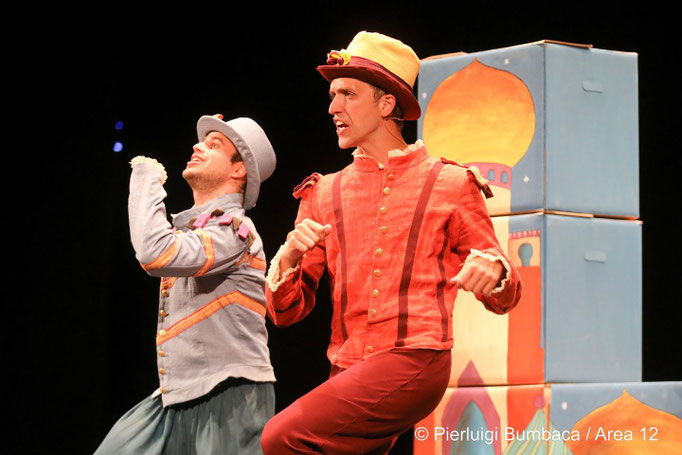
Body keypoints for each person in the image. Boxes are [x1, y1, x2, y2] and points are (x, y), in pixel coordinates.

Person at [261, 31, 522, 454]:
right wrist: (289, 255)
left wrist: (493, 271)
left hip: (416, 358)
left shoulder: (451, 183)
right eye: (332, 95)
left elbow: (505, 296)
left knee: (280, 436)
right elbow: (286, 313)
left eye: (348, 94)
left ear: (386, 104)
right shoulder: (323, 193)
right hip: (347, 367)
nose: (333, 107)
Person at [96, 114, 277, 454]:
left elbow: (156, 253)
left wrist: (147, 177)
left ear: (238, 169)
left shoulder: (234, 230)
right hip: (177, 396)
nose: (197, 147)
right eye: (201, 142)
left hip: (230, 394)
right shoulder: (200, 231)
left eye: (213, 145)